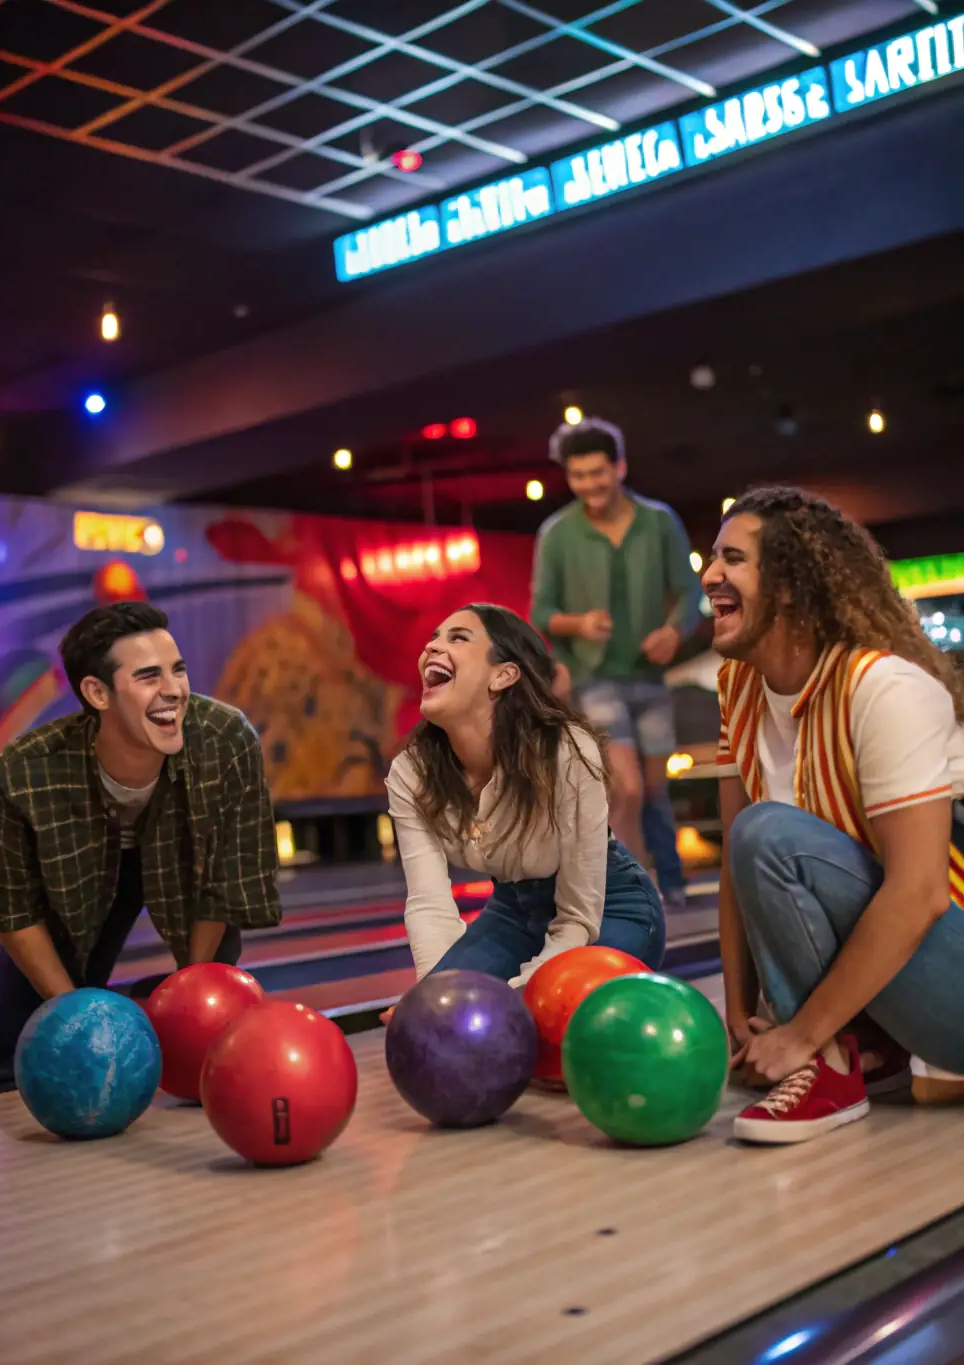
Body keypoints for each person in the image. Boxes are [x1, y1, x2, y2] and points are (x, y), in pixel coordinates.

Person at [704, 486, 964, 1146]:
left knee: (769, 832)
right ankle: (852, 1051)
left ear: (789, 585)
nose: (709, 576)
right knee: (755, 833)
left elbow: (922, 891)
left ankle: (828, 1064)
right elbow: (738, 866)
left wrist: (801, 1033)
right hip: (912, 982)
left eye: (732, 559)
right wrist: (738, 1009)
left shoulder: (884, 687)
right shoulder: (736, 685)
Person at [0, 601, 282, 1068]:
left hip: (184, 868)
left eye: (178, 670)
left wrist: (188, 998)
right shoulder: (24, 771)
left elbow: (222, 886)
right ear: (97, 693)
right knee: (17, 1050)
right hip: (78, 873)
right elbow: (9, 906)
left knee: (210, 1046)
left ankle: (158, 996)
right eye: (149, 676)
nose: (174, 690)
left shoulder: (225, 739)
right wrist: (72, 1013)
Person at [385, 603, 666, 993]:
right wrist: (438, 1000)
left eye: (457, 637)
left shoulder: (566, 751)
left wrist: (527, 989)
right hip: (513, 913)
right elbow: (429, 903)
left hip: (610, 908)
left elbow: (577, 917)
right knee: (437, 1021)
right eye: (433, 637)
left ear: (504, 675)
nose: (432, 647)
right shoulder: (411, 773)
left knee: (546, 1010)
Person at [530, 417, 702, 913]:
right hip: (593, 677)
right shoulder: (558, 533)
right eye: (579, 476)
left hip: (650, 677)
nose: (590, 485)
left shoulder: (658, 521)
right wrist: (578, 623)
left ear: (620, 467)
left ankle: (669, 880)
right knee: (623, 786)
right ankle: (636, 893)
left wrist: (674, 630)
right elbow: (541, 611)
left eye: (598, 473)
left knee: (652, 788)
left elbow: (689, 592)